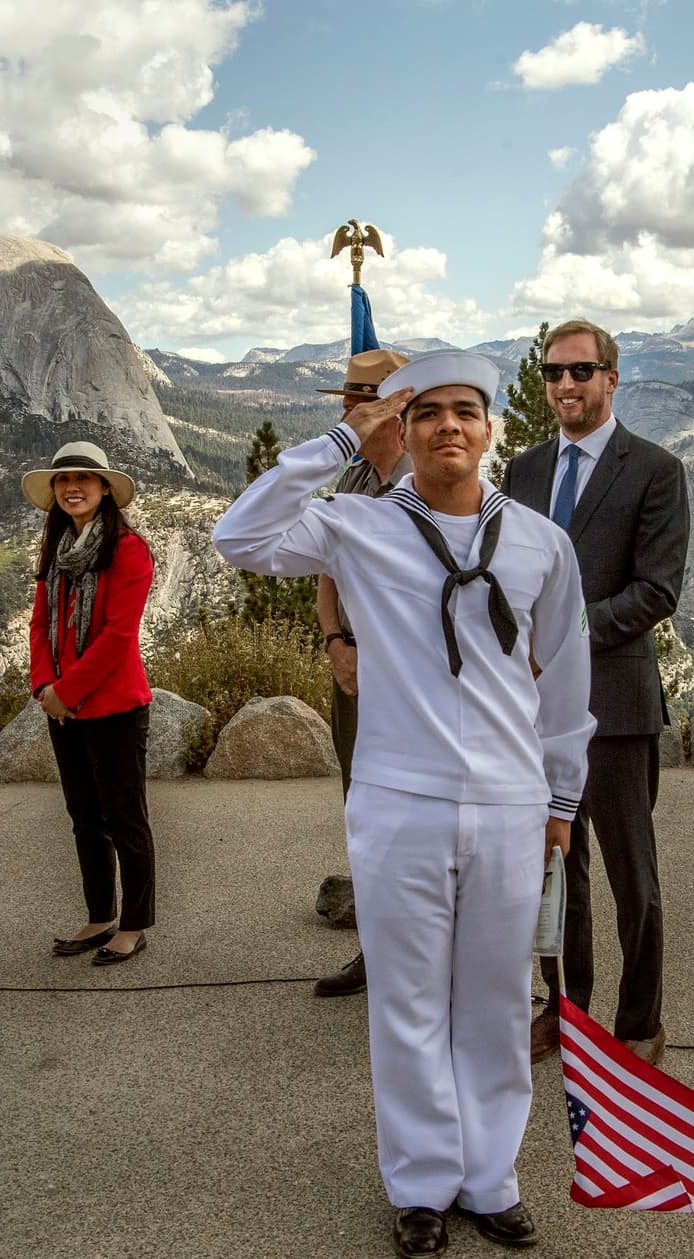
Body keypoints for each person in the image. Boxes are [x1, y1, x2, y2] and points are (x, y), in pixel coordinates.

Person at [214, 351, 595, 1257]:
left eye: (467, 410)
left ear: (492, 428)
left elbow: (568, 679)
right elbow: (241, 536)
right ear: (405, 429)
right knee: (409, 1002)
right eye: (428, 414)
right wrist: (347, 435)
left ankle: (491, 1176)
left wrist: (563, 795)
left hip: (509, 801)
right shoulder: (359, 526)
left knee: (497, 1001)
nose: (448, 426)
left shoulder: (543, 542)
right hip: (398, 800)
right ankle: (422, 1182)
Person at [502, 318, 689, 1066]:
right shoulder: (521, 472)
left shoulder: (654, 469)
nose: (565, 385)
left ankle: (640, 1022)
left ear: (612, 377)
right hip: (534, 712)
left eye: (581, 371)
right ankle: (566, 1009)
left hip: (614, 705)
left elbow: (656, 591)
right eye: (552, 372)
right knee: (556, 872)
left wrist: (561, 637)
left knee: (631, 878)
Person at [22, 441, 157, 966]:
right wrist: (43, 687)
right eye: (62, 480)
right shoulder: (55, 550)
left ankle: (136, 923)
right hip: (63, 707)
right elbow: (39, 624)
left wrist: (65, 691)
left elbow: (119, 634)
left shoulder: (129, 549)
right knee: (84, 817)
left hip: (115, 707)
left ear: (105, 489)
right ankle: (99, 915)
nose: (72, 487)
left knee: (125, 817)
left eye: (84, 478)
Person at [312, 348, 410, 999]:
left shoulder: (424, 480)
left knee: (415, 815)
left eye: (360, 403)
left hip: (406, 678)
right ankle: (375, 949)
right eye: (348, 402)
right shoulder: (352, 484)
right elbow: (327, 571)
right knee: (365, 814)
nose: (349, 414)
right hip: (352, 670)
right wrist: (336, 641)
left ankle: (423, 957)